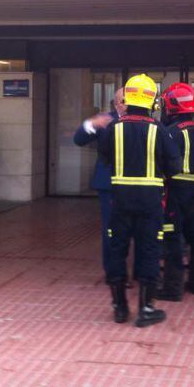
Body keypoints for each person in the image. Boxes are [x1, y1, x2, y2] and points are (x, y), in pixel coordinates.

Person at [98, 74, 181, 328]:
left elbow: (104, 158)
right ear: (152, 101)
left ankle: (120, 307)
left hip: (120, 201)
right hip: (150, 203)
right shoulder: (160, 130)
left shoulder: (113, 128)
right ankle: (146, 308)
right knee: (149, 251)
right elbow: (175, 167)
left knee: (117, 250)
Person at [157, 82, 194, 300]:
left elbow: (164, 164)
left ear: (172, 105)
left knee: (173, 237)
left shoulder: (170, 133)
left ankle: (173, 287)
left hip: (175, 191)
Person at [73, 88, 126, 274]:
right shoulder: (106, 119)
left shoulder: (143, 119)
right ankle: (114, 273)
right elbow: (78, 139)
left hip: (135, 184)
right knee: (111, 229)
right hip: (109, 184)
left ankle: (138, 272)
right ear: (116, 103)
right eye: (123, 100)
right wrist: (91, 123)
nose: (127, 104)